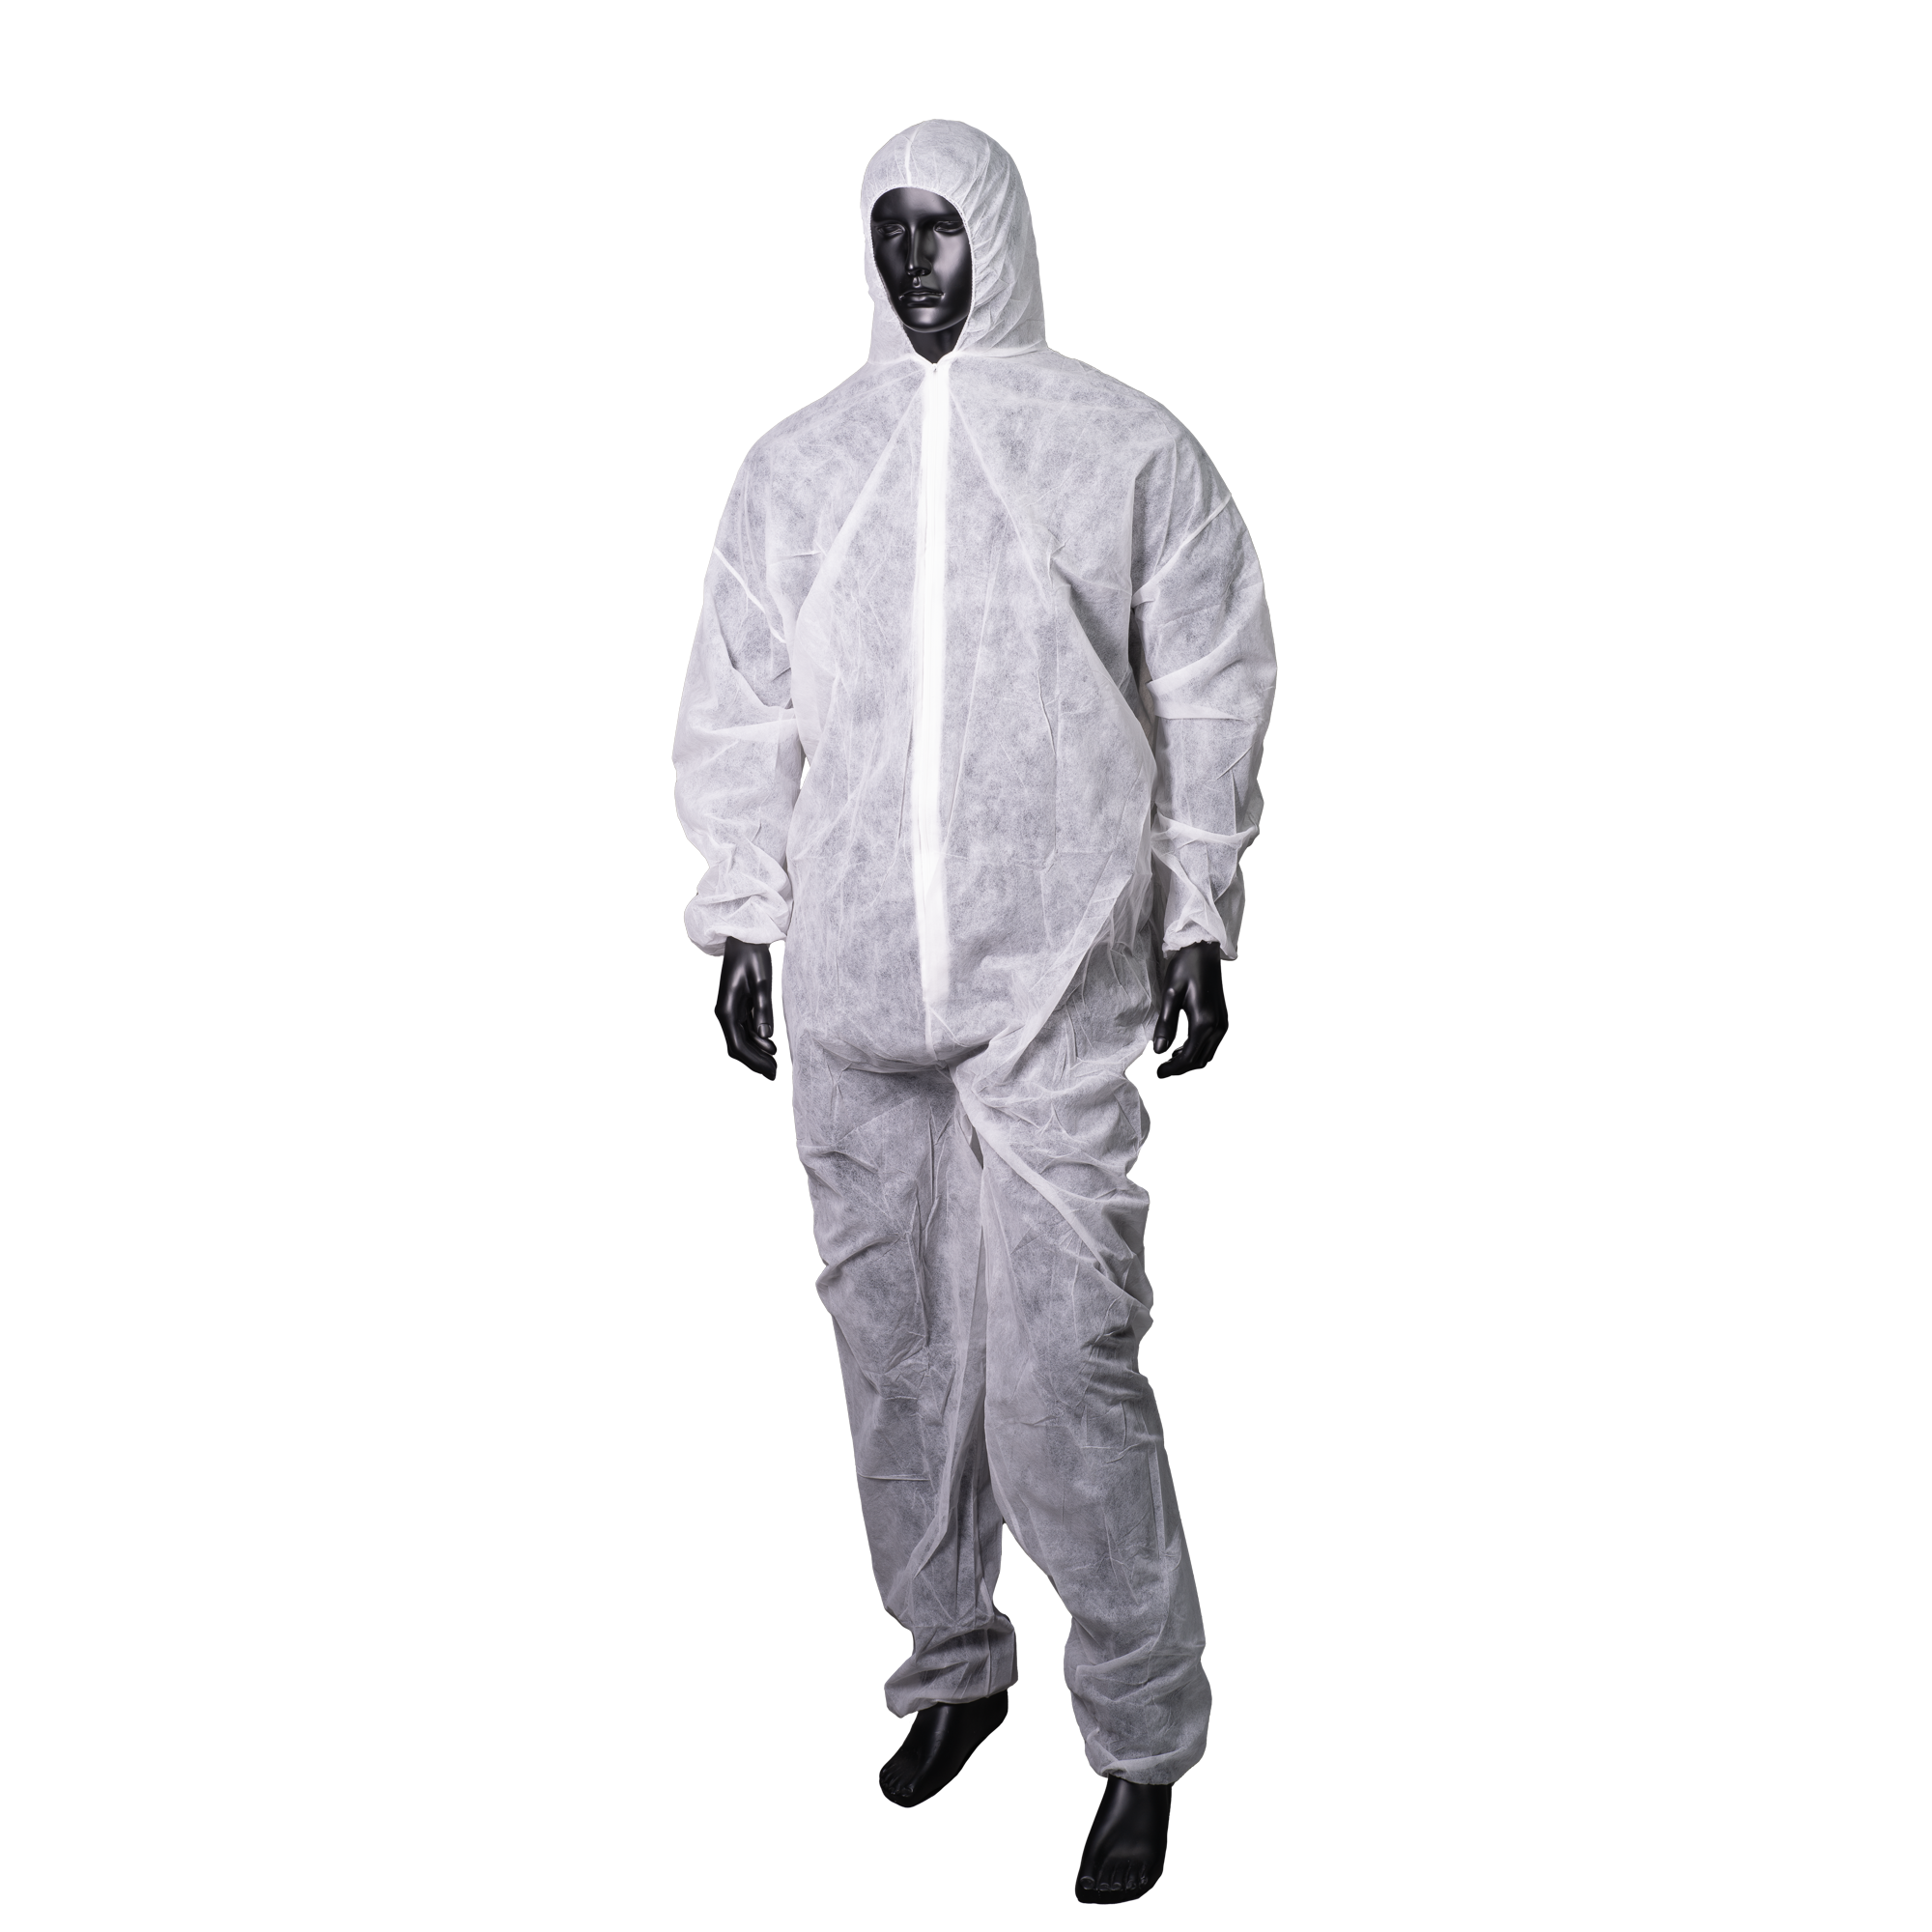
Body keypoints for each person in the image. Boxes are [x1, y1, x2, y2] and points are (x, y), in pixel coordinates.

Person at [674, 120, 1275, 1903]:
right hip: (854, 975)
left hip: (1054, 966)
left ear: (999, 239)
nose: (914, 265)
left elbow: (1212, 676)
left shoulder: (1119, 447)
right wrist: (745, 908)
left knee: (1066, 1363)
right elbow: (741, 698)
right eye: (890, 233)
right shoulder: (800, 466)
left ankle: (1143, 1733)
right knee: (894, 1347)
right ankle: (953, 1669)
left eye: (941, 231)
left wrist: (1200, 909)